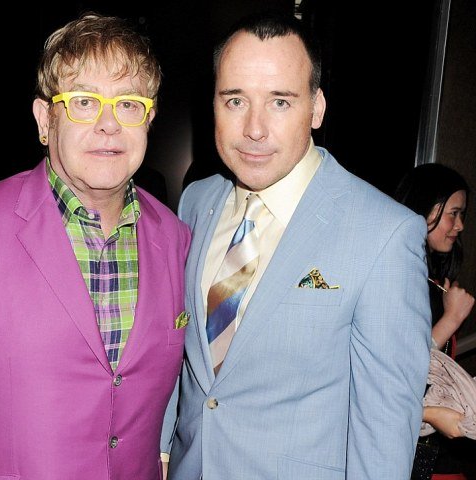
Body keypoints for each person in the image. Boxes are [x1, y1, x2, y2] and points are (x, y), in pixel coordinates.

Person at [0, 13, 190, 480]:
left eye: (129, 105)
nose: (109, 124)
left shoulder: (174, 238)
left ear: (149, 120)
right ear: (45, 119)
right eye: (84, 102)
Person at [160, 12, 431, 479]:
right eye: (235, 100)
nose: (255, 128)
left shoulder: (385, 233)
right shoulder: (196, 202)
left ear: (317, 108)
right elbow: (179, 359)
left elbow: (385, 431)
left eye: (280, 102)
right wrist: (163, 451)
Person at [394, 163, 474, 480]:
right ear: (423, 208)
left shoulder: (433, 278)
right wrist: (452, 319)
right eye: (453, 214)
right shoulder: (398, 275)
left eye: (462, 214)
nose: (460, 225)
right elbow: (400, 366)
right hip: (408, 448)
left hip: (433, 450)